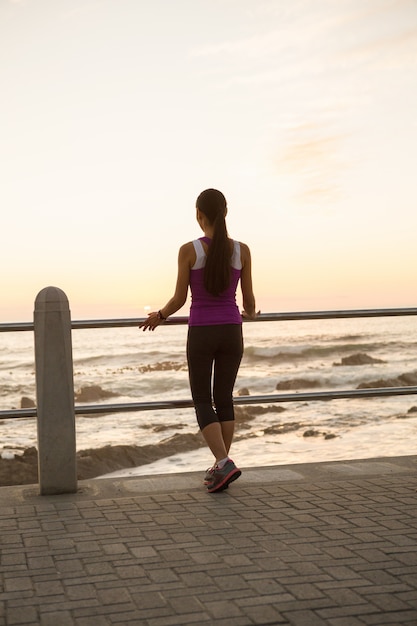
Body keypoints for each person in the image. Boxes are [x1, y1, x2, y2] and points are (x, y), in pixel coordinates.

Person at [140, 188, 257, 493]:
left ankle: (223, 463)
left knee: (203, 400)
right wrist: (253, 313)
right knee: (224, 398)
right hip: (232, 331)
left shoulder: (189, 250)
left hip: (203, 332)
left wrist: (160, 316)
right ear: (225, 214)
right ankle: (223, 466)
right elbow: (249, 304)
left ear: (199, 216)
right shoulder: (242, 250)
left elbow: (179, 299)